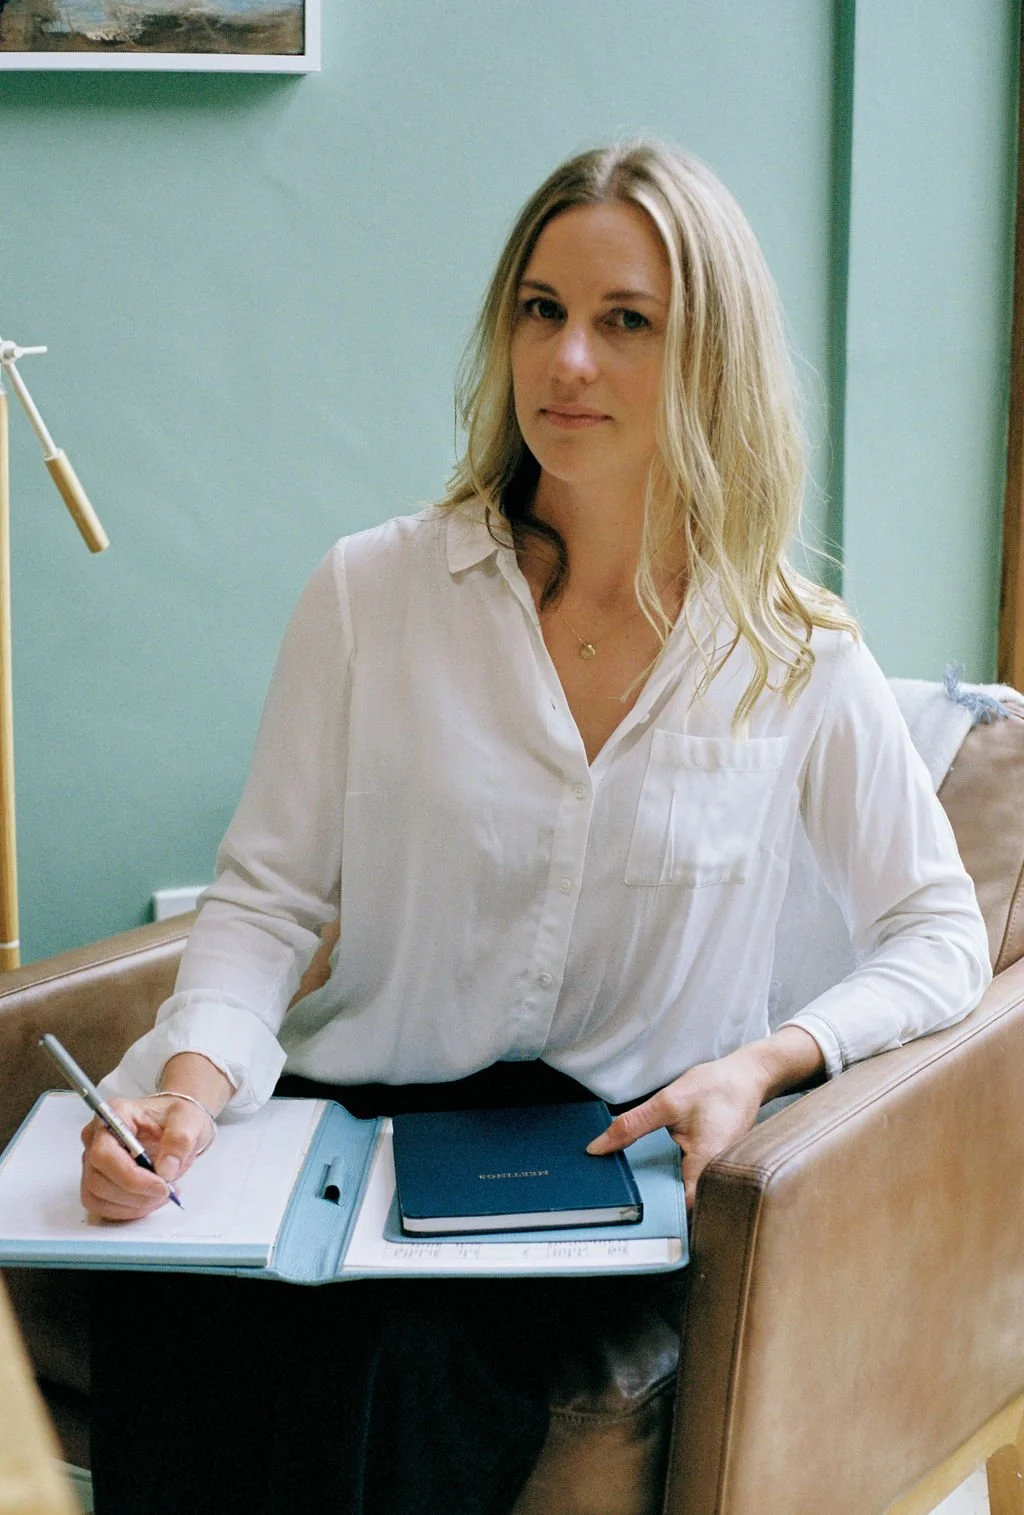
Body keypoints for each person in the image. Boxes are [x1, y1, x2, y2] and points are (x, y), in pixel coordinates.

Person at [81, 140, 991, 1514]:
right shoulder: (371, 594)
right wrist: (187, 1099)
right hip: (359, 1130)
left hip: (596, 1165)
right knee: (189, 1320)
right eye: (539, 308)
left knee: (397, 1368)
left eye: (625, 322)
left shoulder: (794, 655)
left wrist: (761, 1061)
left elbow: (941, 934)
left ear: (710, 359)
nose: (566, 360)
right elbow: (266, 901)